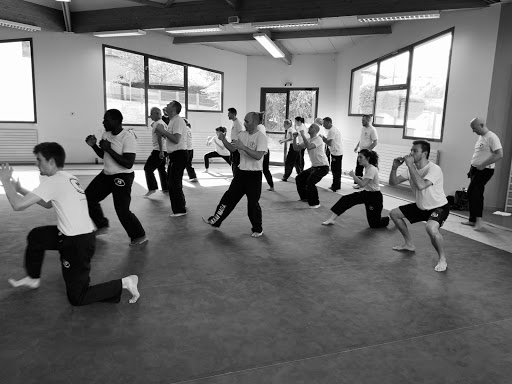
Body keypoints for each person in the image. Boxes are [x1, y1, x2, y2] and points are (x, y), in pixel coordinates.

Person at [0, 143, 140, 305]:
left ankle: (125, 282)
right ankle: (33, 278)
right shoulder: (66, 176)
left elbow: (18, 205)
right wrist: (20, 189)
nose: (36, 163)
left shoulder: (54, 181)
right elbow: (48, 203)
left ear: (51, 161)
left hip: (78, 243)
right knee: (37, 236)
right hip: (71, 235)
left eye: (39, 160)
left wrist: (5, 181)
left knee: (77, 298)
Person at [85, 109, 147, 246]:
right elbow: (104, 155)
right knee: (88, 197)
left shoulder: (127, 137)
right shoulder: (106, 134)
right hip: (107, 174)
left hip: (123, 176)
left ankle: (139, 235)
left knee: (122, 210)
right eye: (104, 119)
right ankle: (102, 225)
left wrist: (108, 149)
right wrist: (94, 146)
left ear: (116, 121)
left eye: (106, 120)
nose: (103, 122)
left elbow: (128, 163)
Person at [203, 112, 268, 237]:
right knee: (228, 199)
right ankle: (215, 221)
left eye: (247, 121)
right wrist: (224, 140)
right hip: (241, 173)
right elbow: (233, 149)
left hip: (254, 176)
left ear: (255, 122)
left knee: (253, 204)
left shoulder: (261, 137)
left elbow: (258, 156)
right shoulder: (242, 134)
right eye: (244, 120)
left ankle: (257, 229)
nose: (244, 123)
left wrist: (243, 147)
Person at [389, 140, 449, 272]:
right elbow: (393, 182)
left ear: (424, 153)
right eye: (411, 150)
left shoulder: (434, 169)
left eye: (415, 151)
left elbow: (421, 186)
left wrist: (410, 166)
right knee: (394, 214)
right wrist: (394, 167)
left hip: (438, 207)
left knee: (431, 228)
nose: (411, 153)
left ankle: (442, 259)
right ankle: (409, 244)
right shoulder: (412, 169)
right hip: (421, 206)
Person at [322, 149, 389, 228]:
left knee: (374, 224)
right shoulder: (367, 168)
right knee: (346, 199)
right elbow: (365, 181)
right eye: (358, 157)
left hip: (375, 197)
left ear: (367, 158)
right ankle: (332, 219)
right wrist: (359, 177)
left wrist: (353, 176)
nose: (358, 159)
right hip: (367, 193)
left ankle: (390, 217)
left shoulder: (372, 169)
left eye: (361, 157)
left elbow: (362, 184)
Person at [461, 117, 503, 230]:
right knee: (471, 193)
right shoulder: (482, 137)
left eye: (474, 128)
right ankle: (473, 220)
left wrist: (483, 165)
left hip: (485, 170)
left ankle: (479, 221)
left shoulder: (492, 137)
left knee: (476, 193)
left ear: (481, 125)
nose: (473, 131)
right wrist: (472, 169)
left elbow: (499, 154)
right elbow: (479, 154)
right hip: (476, 169)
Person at [154, 100, 188, 217]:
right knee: (174, 181)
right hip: (175, 155)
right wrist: (162, 133)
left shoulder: (177, 120)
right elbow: (171, 138)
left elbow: (176, 139)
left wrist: (163, 131)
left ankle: (179, 210)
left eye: (168, 105)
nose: (166, 106)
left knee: (173, 183)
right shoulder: (173, 120)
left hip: (179, 154)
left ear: (173, 108)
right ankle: (181, 205)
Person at [292, 123, 329, 208]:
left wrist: (302, 135)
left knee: (310, 182)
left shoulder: (318, 139)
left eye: (311, 127)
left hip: (323, 167)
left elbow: (309, 147)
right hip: (315, 167)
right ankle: (305, 197)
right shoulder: (308, 139)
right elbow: (296, 148)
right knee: (299, 178)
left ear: (316, 130)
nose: (309, 128)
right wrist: (294, 138)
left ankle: (315, 203)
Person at [143, 107, 168, 197]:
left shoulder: (158, 125)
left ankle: (152, 188)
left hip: (158, 150)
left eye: (151, 114)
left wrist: (161, 151)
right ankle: (166, 187)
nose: (150, 116)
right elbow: (153, 124)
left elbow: (160, 138)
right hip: (165, 150)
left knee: (147, 168)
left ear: (156, 114)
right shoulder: (161, 123)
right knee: (161, 169)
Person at [353, 114, 378, 189]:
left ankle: (369, 184)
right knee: (358, 168)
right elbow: (361, 139)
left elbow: (375, 142)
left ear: (368, 120)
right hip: (361, 152)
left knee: (369, 169)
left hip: (368, 154)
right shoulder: (363, 128)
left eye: (363, 120)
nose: (362, 121)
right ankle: (358, 183)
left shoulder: (372, 129)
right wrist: (357, 146)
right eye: (362, 120)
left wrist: (367, 151)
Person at [321, 117, 343, 192]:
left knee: (335, 170)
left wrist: (322, 138)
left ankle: (335, 186)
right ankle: (336, 185)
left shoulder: (332, 131)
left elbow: (329, 143)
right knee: (336, 170)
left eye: (324, 123)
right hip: (336, 152)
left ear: (328, 122)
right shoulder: (333, 129)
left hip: (336, 153)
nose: (323, 125)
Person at [256, 113, 275, 191]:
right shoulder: (262, 126)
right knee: (265, 169)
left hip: (261, 150)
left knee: (259, 170)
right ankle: (271, 186)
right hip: (265, 149)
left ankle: (257, 188)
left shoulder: (258, 127)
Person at [228, 107, 245, 177]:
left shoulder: (237, 123)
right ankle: (234, 177)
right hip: (233, 145)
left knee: (236, 163)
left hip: (236, 146)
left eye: (229, 113)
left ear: (233, 114)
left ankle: (236, 178)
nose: (228, 115)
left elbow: (241, 134)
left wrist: (238, 145)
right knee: (233, 162)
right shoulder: (233, 122)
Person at [183, 118, 198, 182]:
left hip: (186, 149)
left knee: (183, 164)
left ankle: (193, 177)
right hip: (190, 149)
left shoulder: (184, 129)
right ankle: (193, 177)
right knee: (188, 164)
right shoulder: (188, 129)